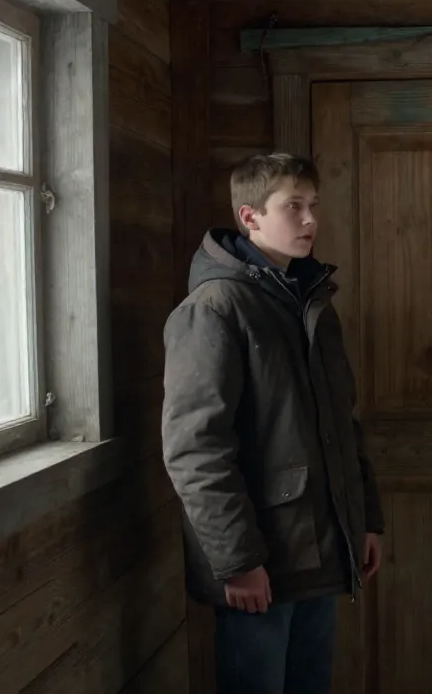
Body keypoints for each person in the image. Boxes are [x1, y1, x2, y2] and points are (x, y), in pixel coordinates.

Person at [161, 152, 385, 694]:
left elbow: (341, 423)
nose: (310, 220)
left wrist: (364, 521)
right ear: (250, 216)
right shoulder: (214, 308)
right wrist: (238, 561)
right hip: (260, 561)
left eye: (314, 206)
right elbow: (195, 449)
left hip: (321, 549)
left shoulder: (309, 301)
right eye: (293, 207)